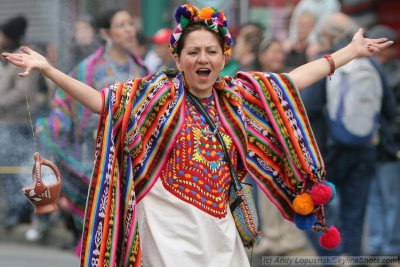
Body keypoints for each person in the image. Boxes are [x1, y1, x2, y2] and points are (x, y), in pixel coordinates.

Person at [2, 4, 392, 267]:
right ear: (178, 58)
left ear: (224, 56)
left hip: (219, 226)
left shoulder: (238, 95)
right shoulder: (154, 95)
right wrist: (49, 70)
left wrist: (349, 53)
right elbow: (104, 104)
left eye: (211, 51)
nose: (202, 59)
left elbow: (290, 81)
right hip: (165, 224)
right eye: (193, 52)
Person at [33, 7, 149, 251]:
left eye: (130, 24)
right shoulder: (88, 69)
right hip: (94, 156)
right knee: (100, 229)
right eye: (121, 25)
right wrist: (54, 127)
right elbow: (65, 103)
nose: (129, 30)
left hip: (131, 158)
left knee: (130, 233)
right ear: (105, 32)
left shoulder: (143, 71)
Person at [300, 13, 389, 260]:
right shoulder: (373, 64)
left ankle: (333, 259)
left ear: (330, 36)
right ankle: (353, 259)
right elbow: (389, 109)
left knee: (319, 209)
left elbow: (311, 105)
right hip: (364, 148)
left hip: (328, 151)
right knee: (355, 210)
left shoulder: (325, 62)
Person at [365, 25, 400, 258]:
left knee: (391, 198)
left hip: (391, 145)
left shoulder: (396, 74)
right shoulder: (367, 70)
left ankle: (392, 246)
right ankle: (375, 245)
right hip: (370, 144)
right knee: (373, 197)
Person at [0, 14, 37, 230]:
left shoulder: (22, 57)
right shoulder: (8, 57)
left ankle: (21, 209)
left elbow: (23, 92)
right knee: (7, 164)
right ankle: (14, 208)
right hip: (7, 122)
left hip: (19, 122)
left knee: (18, 167)